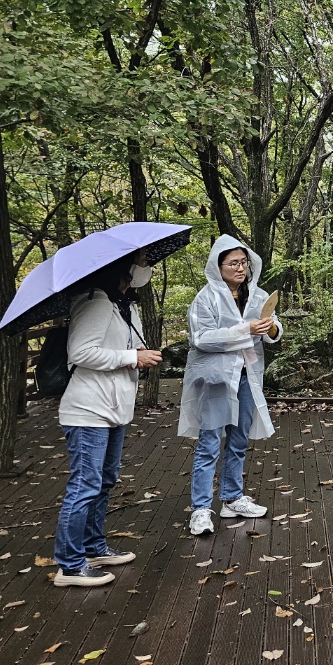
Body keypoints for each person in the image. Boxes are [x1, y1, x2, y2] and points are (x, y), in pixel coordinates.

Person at [54, 256, 162, 586]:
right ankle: (70, 566)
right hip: (88, 409)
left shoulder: (122, 304)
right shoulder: (95, 303)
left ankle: (93, 547)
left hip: (113, 408)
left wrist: (137, 352)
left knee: (104, 481)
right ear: (121, 270)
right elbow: (80, 353)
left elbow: (117, 348)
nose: (144, 268)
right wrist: (132, 357)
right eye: (139, 263)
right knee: (85, 484)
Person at [179, 236, 281, 537]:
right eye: (233, 263)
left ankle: (232, 498)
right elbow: (201, 338)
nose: (240, 268)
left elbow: (273, 327)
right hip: (216, 377)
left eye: (243, 262)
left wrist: (271, 327)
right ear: (218, 267)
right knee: (210, 441)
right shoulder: (206, 298)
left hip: (248, 374)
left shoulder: (257, 295)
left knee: (238, 439)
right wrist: (244, 330)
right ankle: (200, 508)